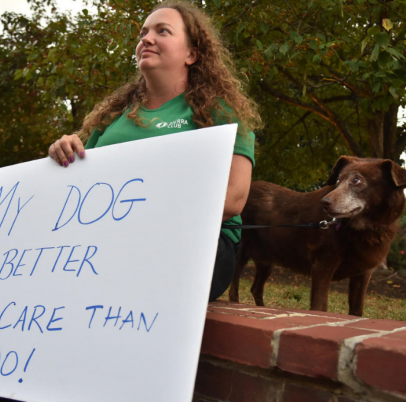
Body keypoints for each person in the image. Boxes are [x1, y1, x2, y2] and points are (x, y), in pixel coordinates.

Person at [48, 1, 262, 301]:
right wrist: (62, 153)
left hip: (199, 243)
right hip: (104, 241)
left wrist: (145, 210)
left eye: (163, 31)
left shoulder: (221, 113)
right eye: (143, 33)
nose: (146, 39)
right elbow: (75, 190)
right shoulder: (112, 116)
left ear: (192, 54)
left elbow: (234, 197)